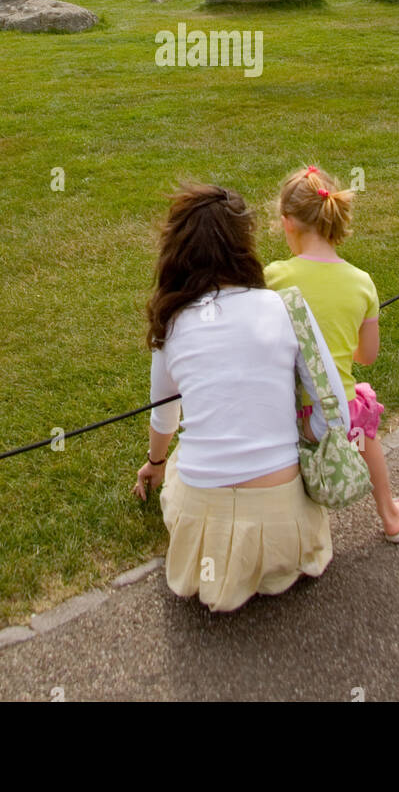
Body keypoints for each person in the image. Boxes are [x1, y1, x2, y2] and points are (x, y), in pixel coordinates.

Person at [133, 182, 349, 612]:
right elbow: (336, 408)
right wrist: (302, 431)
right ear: (244, 243)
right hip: (284, 527)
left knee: (180, 460)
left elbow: (164, 416)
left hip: (202, 532)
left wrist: (155, 465)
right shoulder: (285, 306)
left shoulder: (172, 323)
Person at [264, 165, 399, 543]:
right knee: (366, 428)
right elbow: (368, 355)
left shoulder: (274, 277)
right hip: (339, 415)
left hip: (284, 414)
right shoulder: (362, 283)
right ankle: (390, 514)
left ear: (287, 223)